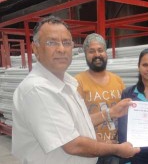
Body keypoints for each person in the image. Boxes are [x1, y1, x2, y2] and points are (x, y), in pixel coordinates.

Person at [12, 16, 140, 164]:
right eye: (51, 42)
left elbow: (79, 125)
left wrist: (112, 112)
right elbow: (73, 145)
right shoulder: (38, 90)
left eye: (66, 43)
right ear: (36, 49)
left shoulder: (67, 83)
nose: (61, 49)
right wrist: (117, 149)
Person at [75, 33, 126, 164]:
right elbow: (77, 122)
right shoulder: (78, 83)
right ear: (85, 55)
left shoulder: (117, 80)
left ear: (106, 53)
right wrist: (103, 143)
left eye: (100, 50)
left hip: (116, 149)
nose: (97, 55)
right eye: (91, 51)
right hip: (92, 151)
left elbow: (125, 115)